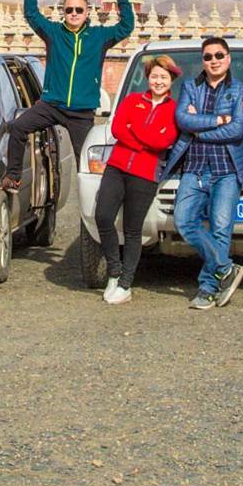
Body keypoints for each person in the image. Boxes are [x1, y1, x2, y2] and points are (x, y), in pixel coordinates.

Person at [4, 0, 134, 195]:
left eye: (79, 10)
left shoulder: (99, 37)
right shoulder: (53, 33)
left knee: (85, 161)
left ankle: (93, 208)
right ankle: (13, 177)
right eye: (69, 10)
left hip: (81, 112)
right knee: (18, 127)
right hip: (51, 105)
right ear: (64, 12)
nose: (74, 13)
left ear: (87, 12)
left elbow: (126, 27)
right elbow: (32, 14)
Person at [159, 38, 243, 311]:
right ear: (203, 61)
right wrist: (219, 119)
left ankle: (208, 288)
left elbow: (237, 130)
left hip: (227, 169)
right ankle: (226, 268)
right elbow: (183, 120)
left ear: (228, 58)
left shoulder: (240, 90)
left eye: (219, 55)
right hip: (194, 167)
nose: (214, 61)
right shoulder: (190, 86)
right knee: (183, 221)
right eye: (208, 56)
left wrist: (199, 129)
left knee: (221, 228)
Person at [93, 54, 180, 305]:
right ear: (148, 78)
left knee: (133, 229)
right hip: (117, 167)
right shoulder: (132, 100)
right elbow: (118, 128)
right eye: (154, 76)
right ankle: (114, 271)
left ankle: (125, 284)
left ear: (171, 80)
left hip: (145, 174)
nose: (158, 81)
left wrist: (135, 131)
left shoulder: (174, 109)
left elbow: (163, 141)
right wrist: (145, 140)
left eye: (164, 77)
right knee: (103, 216)